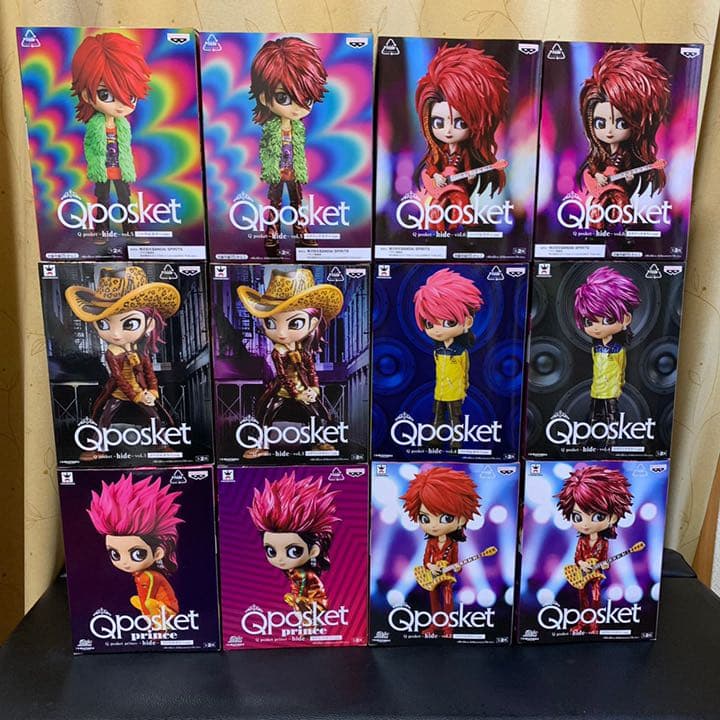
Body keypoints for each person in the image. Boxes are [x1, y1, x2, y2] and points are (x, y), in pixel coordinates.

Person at [65, 265, 180, 459]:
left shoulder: (139, 350)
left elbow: (149, 372)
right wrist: (136, 396)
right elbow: (118, 378)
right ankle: (97, 448)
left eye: (130, 323)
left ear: (149, 324)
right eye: (104, 323)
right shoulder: (112, 352)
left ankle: (162, 445)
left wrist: (152, 391)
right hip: (120, 392)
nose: (116, 334)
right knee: (105, 418)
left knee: (154, 416)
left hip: (140, 390)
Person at [236, 267, 343, 459]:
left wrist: (314, 389)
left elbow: (311, 370)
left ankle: (319, 442)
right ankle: (263, 446)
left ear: (312, 323)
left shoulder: (302, 350)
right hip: (283, 391)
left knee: (317, 414)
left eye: (294, 323)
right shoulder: (278, 352)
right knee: (267, 415)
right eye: (271, 323)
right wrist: (296, 394)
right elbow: (282, 376)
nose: (281, 333)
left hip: (303, 389)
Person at [414, 44, 508, 231]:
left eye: (460, 123)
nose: (448, 131)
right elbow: (431, 167)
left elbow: (469, 169)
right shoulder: (438, 151)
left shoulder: (465, 153)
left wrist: (471, 177)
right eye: (438, 123)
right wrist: (436, 175)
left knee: (461, 203)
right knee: (435, 211)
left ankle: (465, 227)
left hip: (459, 188)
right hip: (440, 189)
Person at [249, 37, 328, 250]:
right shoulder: (271, 128)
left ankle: (300, 230)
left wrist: (301, 168)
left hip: (293, 171)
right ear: (264, 98)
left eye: (306, 99)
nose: (297, 108)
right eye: (283, 98)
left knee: (296, 202)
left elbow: (300, 151)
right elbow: (266, 150)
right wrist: (269, 168)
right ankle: (272, 231)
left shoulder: (298, 129)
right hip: (277, 171)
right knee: (275, 202)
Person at [578, 47, 671, 229]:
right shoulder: (600, 153)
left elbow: (630, 176)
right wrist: (598, 175)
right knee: (596, 209)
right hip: (601, 191)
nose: (609, 131)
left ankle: (626, 229)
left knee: (623, 205)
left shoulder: (628, 155)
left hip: (619, 191)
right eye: (600, 123)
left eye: (621, 123)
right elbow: (591, 168)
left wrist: (629, 179)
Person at [71, 32, 151, 235]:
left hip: (121, 169)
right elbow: (89, 146)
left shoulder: (123, 125)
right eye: (105, 94)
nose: (121, 105)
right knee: (103, 201)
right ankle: (101, 231)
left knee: (125, 200)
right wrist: (95, 165)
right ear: (87, 95)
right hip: (102, 170)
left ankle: (131, 231)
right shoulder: (94, 125)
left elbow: (126, 148)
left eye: (130, 96)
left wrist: (128, 165)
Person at [401, 465, 481, 637]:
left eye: (446, 518)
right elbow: (426, 559)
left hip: (447, 577)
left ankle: (447, 627)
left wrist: (456, 567)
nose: (434, 525)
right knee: (434, 602)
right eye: (425, 518)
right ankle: (435, 624)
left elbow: (454, 560)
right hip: (432, 576)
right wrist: (431, 566)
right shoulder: (431, 542)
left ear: (461, 519)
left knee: (447, 600)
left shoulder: (453, 544)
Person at [87, 473, 183, 616]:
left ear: (158, 553)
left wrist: (149, 617)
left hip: (167, 610)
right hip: (157, 612)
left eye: (137, 554)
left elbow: (148, 599)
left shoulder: (149, 576)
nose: (125, 562)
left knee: (147, 603)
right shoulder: (141, 575)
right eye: (115, 554)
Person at [556, 464, 633, 634]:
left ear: (613, 518)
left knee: (596, 598)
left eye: (598, 516)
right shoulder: (582, 541)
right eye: (577, 516)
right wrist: (582, 564)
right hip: (582, 574)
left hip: (596, 575)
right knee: (583, 598)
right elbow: (577, 557)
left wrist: (605, 564)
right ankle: (582, 623)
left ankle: (594, 624)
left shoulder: (603, 542)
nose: (585, 524)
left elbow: (604, 558)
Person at [248, 471, 339, 613]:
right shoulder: (295, 572)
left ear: (314, 550)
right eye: (271, 551)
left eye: (294, 551)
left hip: (314, 606)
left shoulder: (303, 574)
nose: (280, 559)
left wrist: (296, 601)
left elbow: (303, 593)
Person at [413, 268, 483, 449]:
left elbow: (465, 372)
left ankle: (456, 440)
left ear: (467, 322)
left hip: (455, 392)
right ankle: (436, 438)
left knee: (455, 417)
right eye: (430, 323)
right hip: (440, 391)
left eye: (448, 322)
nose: (437, 330)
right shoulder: (437, 350)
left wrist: (464, 389)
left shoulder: (460, 351)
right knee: (437, 415)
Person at [573, 266, 641, 426]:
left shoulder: (618, 349)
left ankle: (612, 434)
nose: (596, 328)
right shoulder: (595, 348)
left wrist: (619, 387)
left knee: (611, 416)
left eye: (607, 320)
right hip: (596, 390)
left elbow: (621, 369)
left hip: (611, 391)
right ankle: (592, 434)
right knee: (593, 416)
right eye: (588, 322)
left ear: (626, 319)